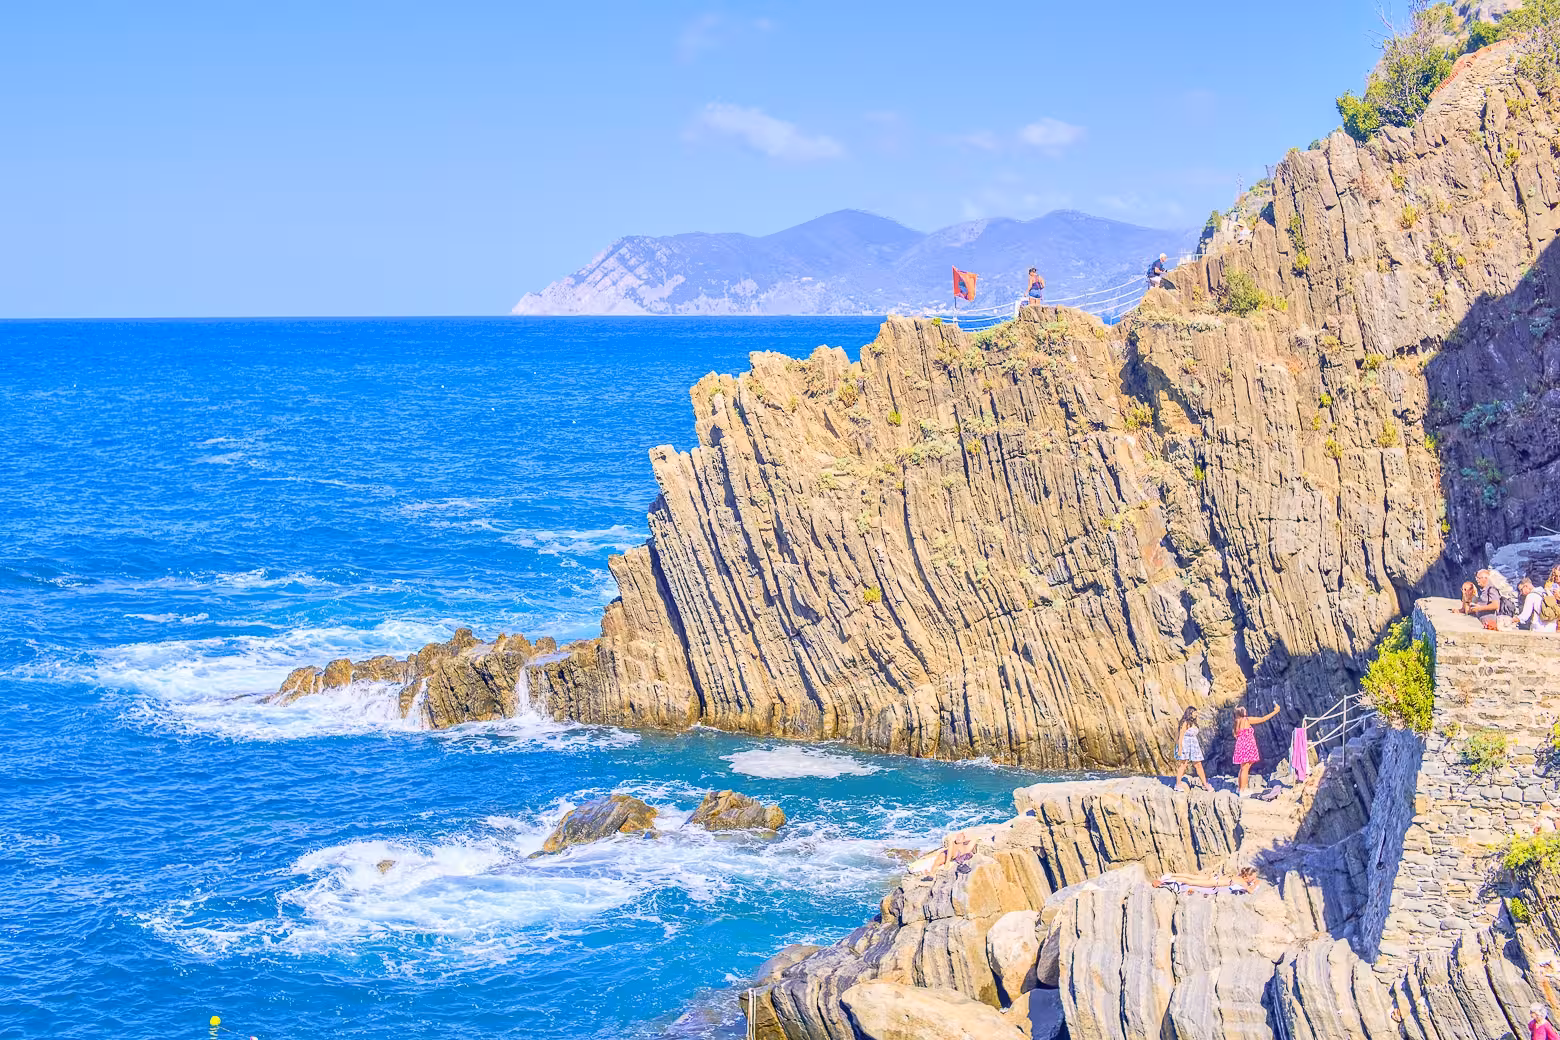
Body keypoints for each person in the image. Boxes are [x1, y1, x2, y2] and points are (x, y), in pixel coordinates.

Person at [1233, 703, 1281, 795]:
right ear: (1242, 712)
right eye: (1244, 710)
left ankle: (1240, 788)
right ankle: (1243, 790)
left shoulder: (1236, 722)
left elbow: (1236, 735)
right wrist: (1275, 711)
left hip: (1240, 746)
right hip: (1247, 746)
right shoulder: (1246, 720)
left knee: (1243, 768)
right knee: (1246, 768)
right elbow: (1263, 719)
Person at [1152, 866, 1263, 895]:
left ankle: (1171, 876)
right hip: (1214, 882)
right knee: (1191, 882)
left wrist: (1253, 881)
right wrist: (1256, 883)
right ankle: (1165, 882)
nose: (1254, 878)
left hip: (1215, 877)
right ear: (1247, 877)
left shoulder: (1239, 876)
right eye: (1253, 877)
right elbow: (1251, 891)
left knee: (1191, 877)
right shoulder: (1243, 882)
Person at [1171, 707, 1209, 791]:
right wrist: (1180, 749)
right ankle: (1177, 785)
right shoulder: (1185, 723)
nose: (1196, 714)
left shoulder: (1194, 723)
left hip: (1194, 745)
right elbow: (1180, 736)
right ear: (1190, 713)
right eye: (1194, 712)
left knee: (1198, 764)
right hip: (1185, 744)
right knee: (1183, 765)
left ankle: (1205, 784)